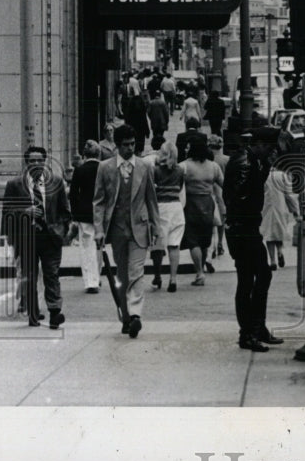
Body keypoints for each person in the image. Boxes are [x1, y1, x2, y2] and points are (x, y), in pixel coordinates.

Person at [92, 124, 160, 338]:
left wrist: (156, 226)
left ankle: (136, 315)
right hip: (117, 229)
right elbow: (99, 202)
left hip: (139, 227)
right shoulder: (105, 167)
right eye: (126, 145)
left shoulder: (144, 167)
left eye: (133, 144)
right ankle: (126, 315)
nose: (130, 148)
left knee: (136, 272)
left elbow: (151, 199)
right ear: (117, 146)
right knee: (122, 275)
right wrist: (99, 230)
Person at [223, 126, 284, 352]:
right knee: (249, 278)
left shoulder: (253, 160)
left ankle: (255, 328)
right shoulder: (245, 163)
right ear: (258, 144)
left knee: (257, 276)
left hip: (246, 227)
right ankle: (248, 332)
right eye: (268, 148)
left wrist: (267, 164)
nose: (270, 152)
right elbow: (238, 196)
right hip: (243, 228)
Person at [1, 145, 71, 328]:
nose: (36, 164)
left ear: (45, 161)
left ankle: (55, 312)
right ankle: (33, 313)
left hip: (50, 237)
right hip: (26, 238)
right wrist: (25, 212)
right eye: (32, 161)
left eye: (40, 160)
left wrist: (62, 231)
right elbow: (7, 212)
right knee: (29, 276)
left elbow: (65, 211)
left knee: (52, 275)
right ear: (26, 163)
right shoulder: (14, 185)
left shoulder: (56, 182)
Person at [179, 137, 224, 286]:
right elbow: (223, 184)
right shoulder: (213, 166)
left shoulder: (184, 166)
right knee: (205, 240)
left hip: (191, 203)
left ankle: (199, 272)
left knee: (193, 240)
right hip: (208, 203)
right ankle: (203, 267)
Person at [149, 141, 185, 293]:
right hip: (176, 208)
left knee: (158, 244)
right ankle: (173, 278)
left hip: (161, 208)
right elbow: (181, 187)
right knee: (174, 245)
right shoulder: (180, 170)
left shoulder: (156, 170)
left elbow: (151, 189)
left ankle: (157, 275)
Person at [69, 140, 103, 294]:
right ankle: (99, 275)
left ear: (85, 154)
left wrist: (75, 215)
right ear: (98, 153)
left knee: (87, 248)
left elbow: (73, 194)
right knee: (99, 246)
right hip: (101, 213)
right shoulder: (104, 169)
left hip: (84, 213)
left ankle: (91, 281)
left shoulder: (79, 170)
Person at [260, 144, 300, 271]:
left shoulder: (262, 175)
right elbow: (290, 195)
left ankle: (272, 260)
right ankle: (280, 252)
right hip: (281, 207)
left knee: (268, 234)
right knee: (279, 231)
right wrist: (295, 211)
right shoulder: (283, 175)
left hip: (266, 207)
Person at [208, 135, 229, 258]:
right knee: (222, 220)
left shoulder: (208, 160)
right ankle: (221, 242)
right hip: (222, 192)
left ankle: (213, 245)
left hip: (210, 191)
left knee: (212, 222)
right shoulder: (226, 159)